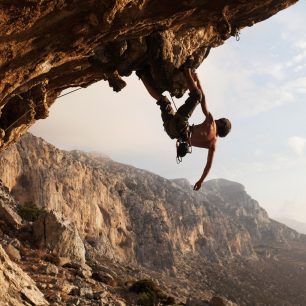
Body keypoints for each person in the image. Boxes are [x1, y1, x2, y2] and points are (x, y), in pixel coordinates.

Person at [138, 68, 231, 191]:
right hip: (172, 132)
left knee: (196, 95)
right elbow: (208, 166)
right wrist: (200, 181)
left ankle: (186, 70)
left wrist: (197, 80)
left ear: (221, 123)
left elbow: (202, 99)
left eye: (220, 119)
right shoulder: (212, 145)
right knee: (163, 101)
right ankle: (142, 74)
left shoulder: (212, 123)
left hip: (181, 125)